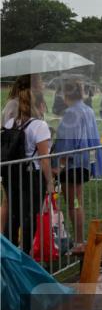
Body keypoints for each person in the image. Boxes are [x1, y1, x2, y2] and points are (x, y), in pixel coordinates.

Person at [1, 75, 54, 253]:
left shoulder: (10, 122)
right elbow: (44, 158)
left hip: (11, 174)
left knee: (13, 215)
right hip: (32, 176)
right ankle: (26, 254)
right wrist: (50, 182)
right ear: (38, 105)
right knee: (29, 215)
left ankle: (9, 253)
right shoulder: (39, 126)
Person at [52, 80, 102, 245]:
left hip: (70, 165)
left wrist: (58, 168)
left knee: (73, 204)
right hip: (82, 163)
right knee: (77, 203)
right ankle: (79, 240)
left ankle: (78, 241)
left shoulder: (71, 113)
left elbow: (66, 145)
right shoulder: (88, 110)